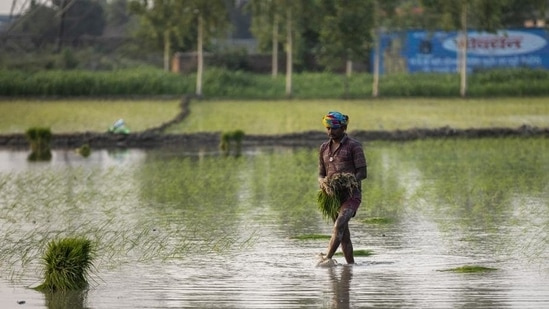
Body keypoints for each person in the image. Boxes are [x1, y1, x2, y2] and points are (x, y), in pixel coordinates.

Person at [317, 111, 367, 266]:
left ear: (344, 127)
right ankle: (350, 266)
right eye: (328, 128)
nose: (330, 132)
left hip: (351, 196)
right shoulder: (324, 148)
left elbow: (362, 172)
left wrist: (348, 181)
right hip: (332, 197)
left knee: (338, 225)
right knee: (343, 235)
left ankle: (327, 258)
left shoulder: (354, 146)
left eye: (334, 128)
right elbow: (321, 173)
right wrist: (323, 182)